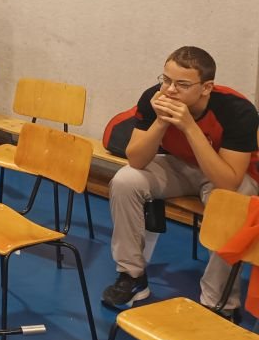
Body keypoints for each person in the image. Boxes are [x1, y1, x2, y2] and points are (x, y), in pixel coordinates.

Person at [101, 46, 259, 314]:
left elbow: (229, 181)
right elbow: (136, 160)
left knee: (233, 201)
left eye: (182, 84)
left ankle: (217, 301)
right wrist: (161, 122)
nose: (170, 90)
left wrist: (188, 126)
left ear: (206, 87)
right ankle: (132, 276)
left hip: (226, 175)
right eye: (166, 80)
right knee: (125, 180)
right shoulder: (154, 98)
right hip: (180, 167)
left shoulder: (237, 110)